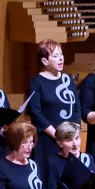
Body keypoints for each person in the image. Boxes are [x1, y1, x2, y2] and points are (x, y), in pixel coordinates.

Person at [24, 40, 78, 171]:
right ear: (44, 61)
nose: (61, 58)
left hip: (68, 140)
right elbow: (36, 113)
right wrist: (58, 136)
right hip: (47, 140)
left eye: (61, 54)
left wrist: (74, 134)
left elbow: (77, 108)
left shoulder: (68, 80)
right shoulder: (37, 82)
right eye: (55, 56)